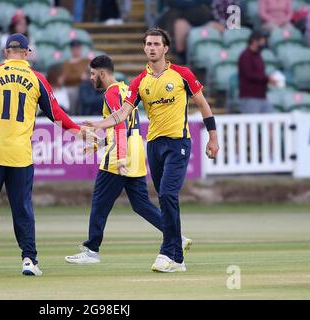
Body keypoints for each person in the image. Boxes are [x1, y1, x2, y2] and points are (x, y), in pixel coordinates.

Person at [0, 33, 95, 276]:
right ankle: (29, 260)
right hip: (20, 156)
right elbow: (55, 113)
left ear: (5, 53)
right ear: (27, 52)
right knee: (22, 209)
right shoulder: (36, 78)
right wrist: (78, 132)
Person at [83, 28, 219, 273]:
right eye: (148, 44)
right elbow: (123, 114)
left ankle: (167, 253)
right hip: (154, 146)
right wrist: (99, 124)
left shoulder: (182, 74)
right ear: (144, 48)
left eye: (156, 44)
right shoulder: (139, 82)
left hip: (178, 143)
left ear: (165, 48)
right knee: (165, 199)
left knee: (167, 194)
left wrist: (213, 138)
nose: (152, 48)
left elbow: (203, 105)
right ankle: (178, 258)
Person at [65, 55, 193, 266]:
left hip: (119, 154)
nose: (90, 78)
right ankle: (176, 236)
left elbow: (119, 127)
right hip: (136, 152)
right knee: (141, 204)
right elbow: (128, 126)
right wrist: (97, 144)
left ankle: (91, 249)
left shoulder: (112, 93)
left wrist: (120, 157)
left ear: (102, 74)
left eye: (93, 74)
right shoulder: (126, 89)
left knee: (99, 202)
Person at [238, 31, 277, 113]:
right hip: (250, 97)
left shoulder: (258, 55)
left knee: (272, 120)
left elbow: (261, 74)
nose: (264, 43)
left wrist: (267, 79)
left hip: (262, 96)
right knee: (250, 123)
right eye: (262, 40)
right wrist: (267, 78)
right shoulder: (245, 55)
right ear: (254, 41)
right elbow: (249, 75)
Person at [62, 39, 90, 114]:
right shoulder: (67, 63)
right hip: (73, 88)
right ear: (71, 49)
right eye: (74, 48)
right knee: (72, 94)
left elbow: (90, 73)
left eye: (78, 47)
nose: (76, 50)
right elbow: (65, 78)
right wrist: (80, 77)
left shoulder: (86, 61)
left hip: (86, 87)